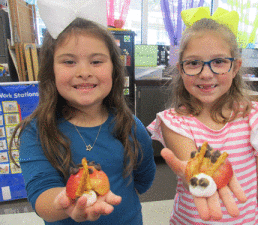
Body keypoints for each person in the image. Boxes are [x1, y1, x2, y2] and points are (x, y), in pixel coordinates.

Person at [8, 2, 156, 224]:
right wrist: (66, 202)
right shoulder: (38, 131)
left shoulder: (131, 125)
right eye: (69, 61)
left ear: (114, 69)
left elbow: (144, 178)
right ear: (51, 71)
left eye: (96, 61)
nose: (84, 72)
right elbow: (41, 194)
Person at [147, 7, 258, 225]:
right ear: (181, 69)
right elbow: (198, 167)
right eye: (193, 63)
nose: (206, 73)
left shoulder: (256, 118)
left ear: (235, 67)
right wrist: (201, 172)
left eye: (218, 61)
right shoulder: (174, 122)